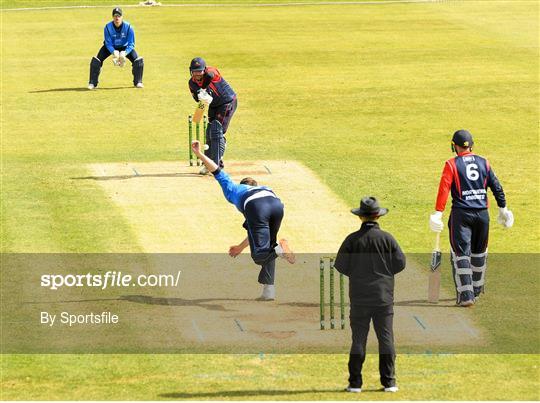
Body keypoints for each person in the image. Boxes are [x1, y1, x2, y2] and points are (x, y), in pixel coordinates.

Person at [190, 140, 294, 300]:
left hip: (256, 207)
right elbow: (253, 233)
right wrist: (240, 247)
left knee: (260, 255)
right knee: (268, 247)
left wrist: (198, 154)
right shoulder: (264, 188)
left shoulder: (233, 189)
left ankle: (280, 249)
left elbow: (216, 169)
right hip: (277, 205)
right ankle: (269, 290)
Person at [429, 130, 513, 307]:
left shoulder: (451, 164)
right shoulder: (484, 162)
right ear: (472, 145)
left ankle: (466, 295)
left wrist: (438, 213)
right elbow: (496, 186)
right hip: (483, 214)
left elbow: (444, 189)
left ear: (454, 146)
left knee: (461, 254)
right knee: (479, 252)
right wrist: (503, 208)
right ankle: (476, 289)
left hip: (462, 215)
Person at [334, 196, 406, 393]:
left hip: (359, 296)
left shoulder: (352, 239)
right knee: (386, 338)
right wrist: (384, 275)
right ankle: (389, 382)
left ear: (361, 217)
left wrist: (357, 275)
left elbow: (340, 265)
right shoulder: (387, 239)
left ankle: (355, 383)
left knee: (358, 339)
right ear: (377, 216)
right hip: (383, 296)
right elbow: (400, 264)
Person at [188, 57, 237, 174]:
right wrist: (200, 95)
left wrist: (203, 89)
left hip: (227, 102)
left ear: (204, 69)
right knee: (209, 132)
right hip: (214, 105)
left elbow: (210, 75)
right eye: (195, 71)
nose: (197, 74)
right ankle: (208, 163)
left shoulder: (211, 72)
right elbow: (196, 99)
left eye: (199, 71)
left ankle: (216, 165)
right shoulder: (192, 83)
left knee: (216, 131)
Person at [88, 7, 144, 90]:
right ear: (112, 17)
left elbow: (131, 44)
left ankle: (138, 82)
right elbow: (108, 42)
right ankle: (92, 83)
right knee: (96, 60)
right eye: (115, 16)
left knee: (138, 60)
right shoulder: (107, 27)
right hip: (110, 46)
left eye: (118, 16)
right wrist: (114, 52)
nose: (117, 18)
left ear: (122, 17)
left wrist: (125, 53)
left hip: (124, 46)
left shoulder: (129, 27)